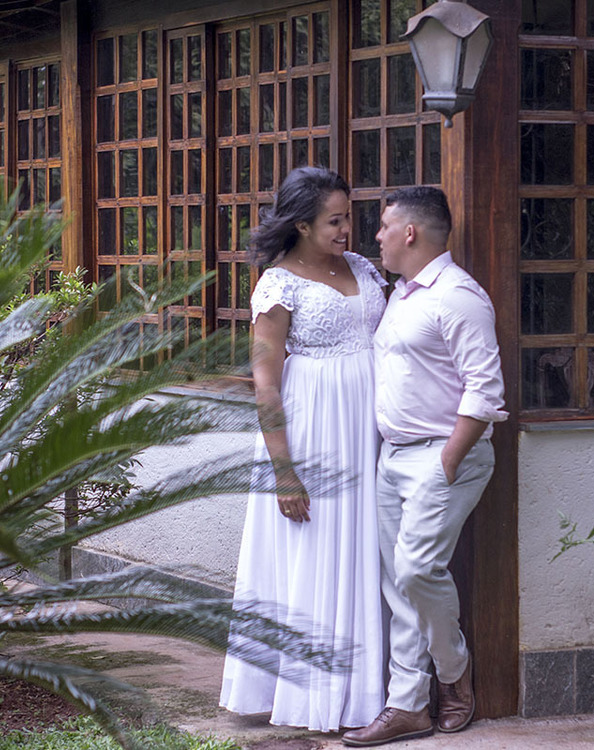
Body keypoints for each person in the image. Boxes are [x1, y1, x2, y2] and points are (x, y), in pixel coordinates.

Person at [220, 167, 387, 732]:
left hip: (368, 429)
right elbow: (266, 383)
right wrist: (284, 473)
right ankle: (311, 695)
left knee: (366, 551)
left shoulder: (363, 268)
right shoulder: (279, 283)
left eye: (349, 216)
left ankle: (368, 692)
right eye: (334, 220)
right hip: (313, 431)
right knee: (314, 554)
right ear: (302, 224)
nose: (347, 229)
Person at [343, 187, 507, 747]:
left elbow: (485, 392)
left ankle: (454, 673)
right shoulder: (402, 296)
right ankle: (408, 706)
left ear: (409, 233)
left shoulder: (459, 297)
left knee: (415, 571)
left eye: (384, 227)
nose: (378, 238)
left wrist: (448, 460)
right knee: (398, 585)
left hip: (442, 456)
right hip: (393, 457)